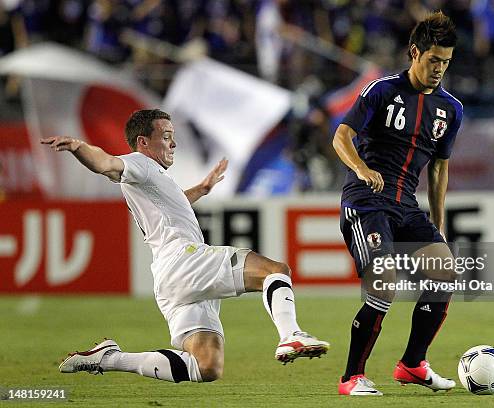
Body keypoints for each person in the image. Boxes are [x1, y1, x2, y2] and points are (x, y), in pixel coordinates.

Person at [44, 109, 329, 384]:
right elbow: (105, 163)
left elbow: (172, 205)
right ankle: (291, 334)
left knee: (206, 366)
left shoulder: (152, 177)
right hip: (185, 260)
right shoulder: (139, 163)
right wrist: (79, 147)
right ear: (143, 142)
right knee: (274, 271)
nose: (174, 142)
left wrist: (201, 189)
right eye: (166, 135)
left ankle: (109, 359)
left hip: (170, 278)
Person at [332, 11, 462, 396]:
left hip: (405, 206)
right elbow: (341, 136)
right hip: (366, 202)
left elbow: (439, 170)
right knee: (384, 282)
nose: (439, 68)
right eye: (433, 59)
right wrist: (360, 169)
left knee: (445, 273)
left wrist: (438, 223)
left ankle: (412, 364)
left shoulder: (450, 109)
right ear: (414, 52)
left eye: (446, 62)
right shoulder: (382, 91)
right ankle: (351, 377)